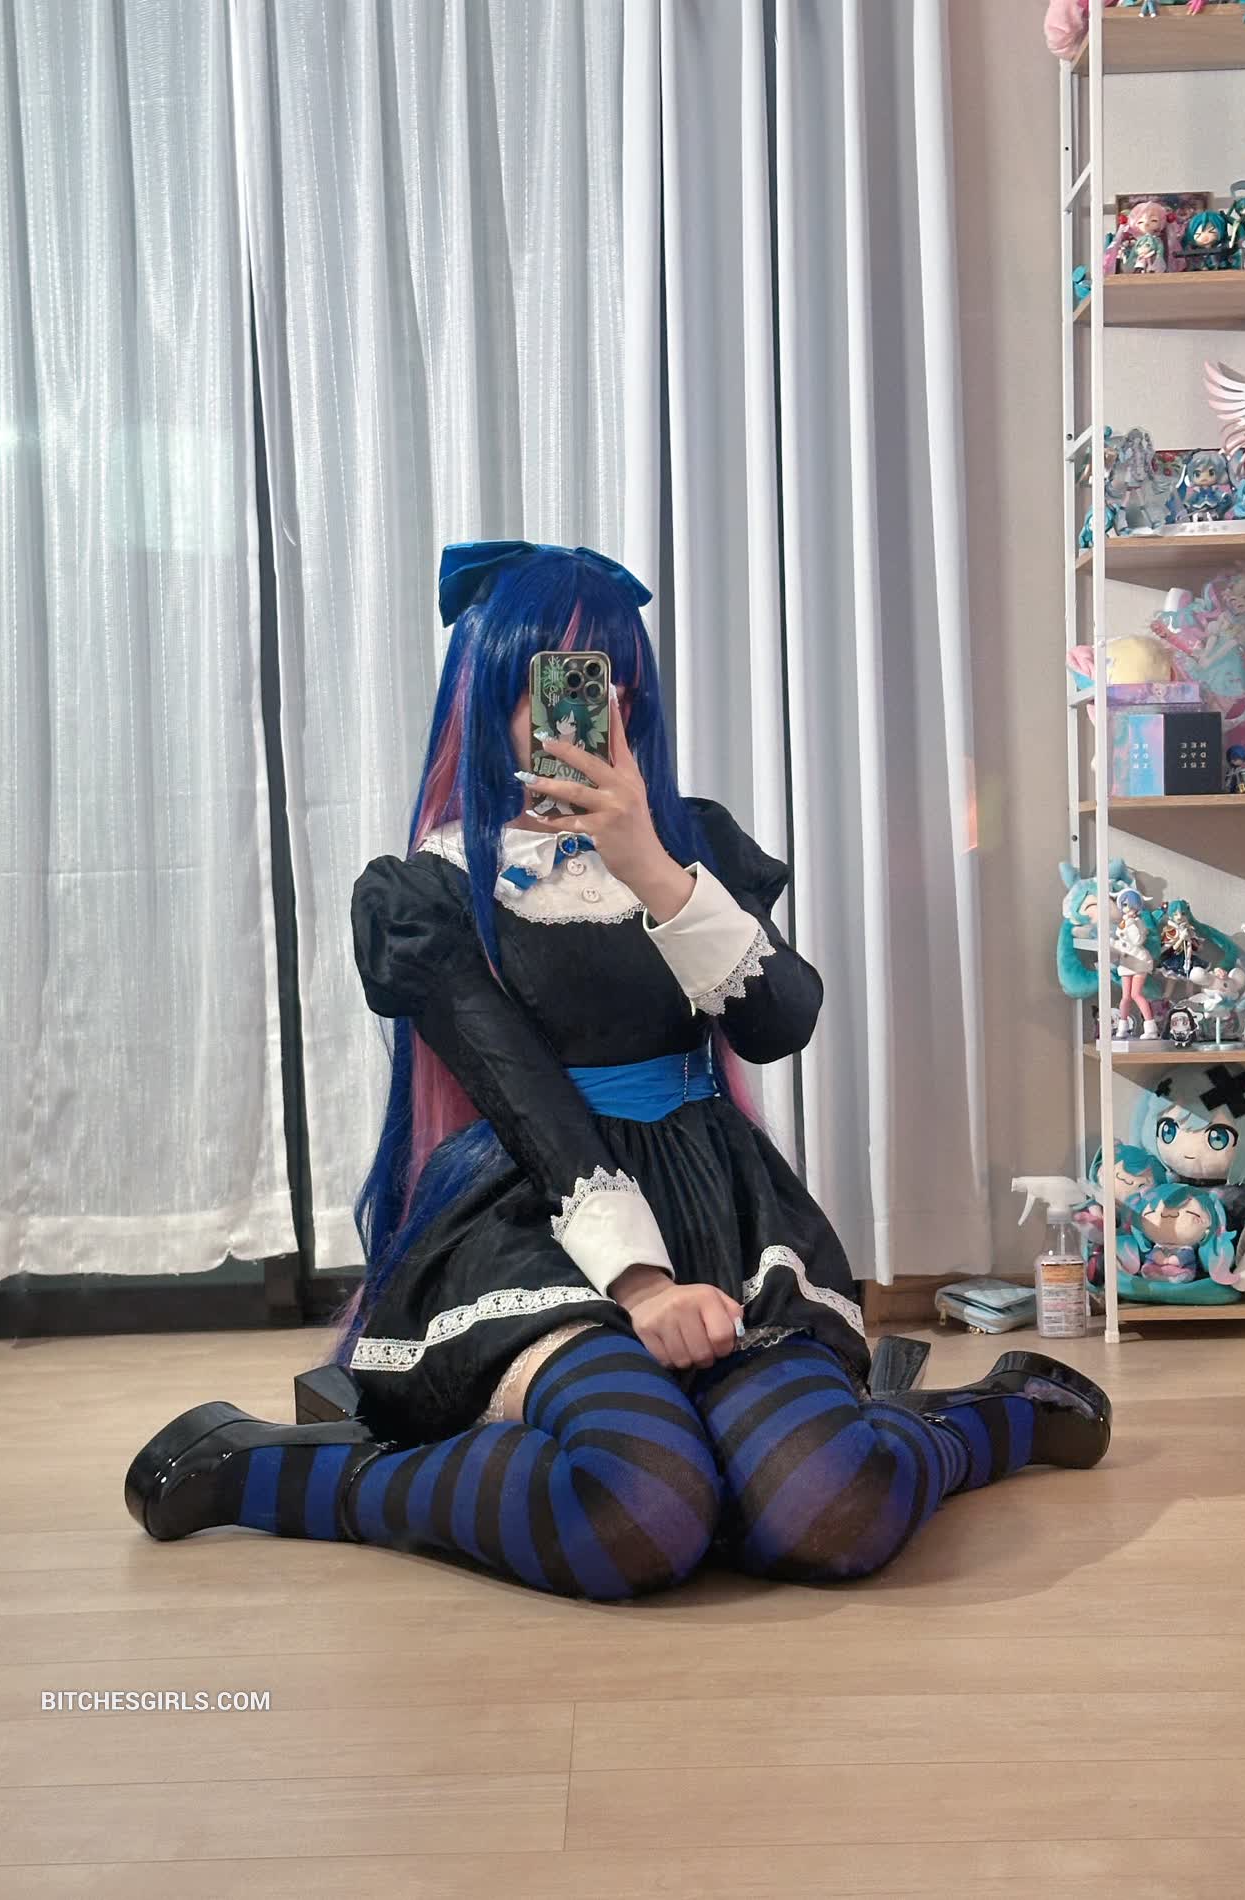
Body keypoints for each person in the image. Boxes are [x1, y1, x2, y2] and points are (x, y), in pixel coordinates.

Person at [125, 541, 1111, 1599]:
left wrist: (650, 865)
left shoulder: (697, 849)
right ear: (488, 692)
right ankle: (288, 1472)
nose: (587, 713)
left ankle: (987, 1414)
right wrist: (640, 1282)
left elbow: (779, 1023)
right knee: (637, 1507)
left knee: (829, 1505)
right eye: (551, 682)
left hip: (716, 1205)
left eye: (611, 684)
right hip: (529, 1211)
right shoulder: (432, 887)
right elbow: (522, 1095)